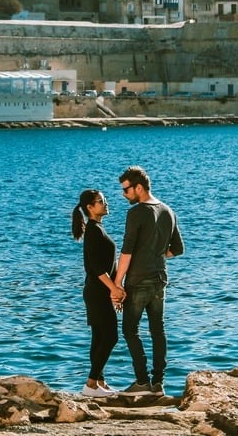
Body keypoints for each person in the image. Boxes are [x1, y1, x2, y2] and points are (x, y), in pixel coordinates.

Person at [112, 166, 184, 396]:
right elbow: (178, 249)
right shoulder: (167, 210)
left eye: (126, 190)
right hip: (160, 279)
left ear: (139, 188)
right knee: (158, 330)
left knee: (130, 330)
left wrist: (117, 283)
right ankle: (159, 384)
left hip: (138, 280)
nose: (124, 195)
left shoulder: (136, 213)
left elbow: (127, 251)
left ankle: (142, 382)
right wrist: (155, 255)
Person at [72, 189, 121, 398]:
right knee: (110, 337)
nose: (106, 203)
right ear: (90, 208)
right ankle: (91, 383)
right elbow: (96, 267)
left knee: (100, 337)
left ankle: (99, 383)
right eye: (101, 201)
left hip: (99, 292)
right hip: (97, 292)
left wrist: (114, 288)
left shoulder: (97, 229)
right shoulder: (93, 231)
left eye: (105, 200)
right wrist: (114, 289)